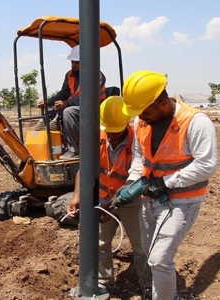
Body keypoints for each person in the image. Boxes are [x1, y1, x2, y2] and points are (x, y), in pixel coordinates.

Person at [109, 70, 219, 300]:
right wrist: (131, 183)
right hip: (150, 198)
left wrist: (166, 182)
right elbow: (140, 158)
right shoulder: (143, 120)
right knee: (151, 255)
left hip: (182, 201)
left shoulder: (194, 122)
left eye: (145, 111)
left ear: (162, 103)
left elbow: (207, 165)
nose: (141, 117)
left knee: (159, 259)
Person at [66, 96, 152, 294]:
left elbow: (140, 179)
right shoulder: (97, 138)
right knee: (99, 243)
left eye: (116, 132)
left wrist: (111, 207)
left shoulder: (138, 143)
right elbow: (84, 169)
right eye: (108, 132)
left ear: (126, 124)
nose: (111, 136)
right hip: (104, 199)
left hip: (133, 202)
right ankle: (104, 281)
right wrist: (77, 196)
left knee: (141, 247)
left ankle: (148, 285)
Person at [36, 45, 107, 160]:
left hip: (95, 108)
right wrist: (47, 101)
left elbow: (89, 97)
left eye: (77, 62)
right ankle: (51, 149)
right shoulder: (70, 75)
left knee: (68, 111)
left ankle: (72, 150)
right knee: (51, 114)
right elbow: (63, 93)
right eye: (72, 62)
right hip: (78, 107)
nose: (74, 65)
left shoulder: (96, 75)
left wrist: (66, 104)